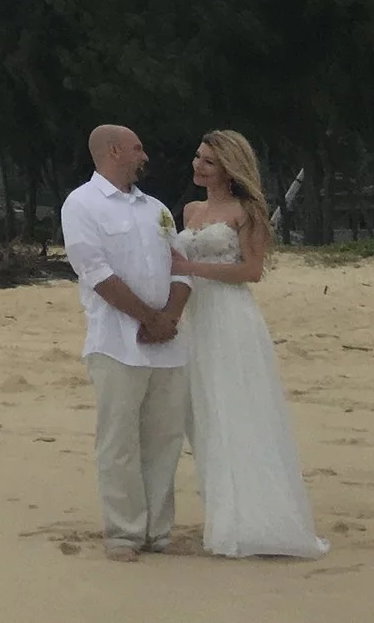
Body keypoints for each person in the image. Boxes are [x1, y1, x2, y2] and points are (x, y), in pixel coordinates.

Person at [167, 130, 329, 558]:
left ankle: (258, 518)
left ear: (229, 168)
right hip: (196, 319)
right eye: (198, 157)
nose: (198, 165)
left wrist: (190, 265)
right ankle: (225, 515)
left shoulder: (248, 212)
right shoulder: (190, 210)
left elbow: (251, 271)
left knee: (238, 411)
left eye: (209, 161)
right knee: (204, 418)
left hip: (231, 318)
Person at [60, 124, 193, 561]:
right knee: (119, 440)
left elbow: (181, 267)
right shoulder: (82, 204)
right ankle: (124, 531)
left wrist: (169, 317)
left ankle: (158, 529)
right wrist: (146, 317)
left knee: (164, 437)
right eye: (138, 147)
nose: (144, 155)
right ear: (114, 150)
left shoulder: (156, 208)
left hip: (167, 342)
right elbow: (94, 271)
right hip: (116, 341)